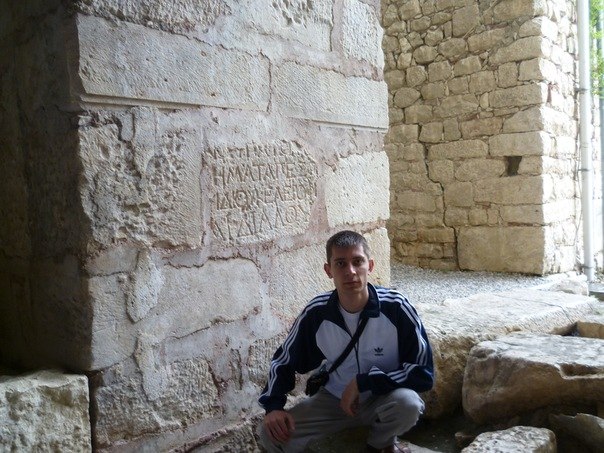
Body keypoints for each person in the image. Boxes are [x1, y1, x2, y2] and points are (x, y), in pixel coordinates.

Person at [258, 230, 434, 453]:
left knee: (409, 404)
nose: (350, 271)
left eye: (357, 262)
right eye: (340, 263)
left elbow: (423, 373)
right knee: (270, 435)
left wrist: (363, 383)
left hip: (384, 397)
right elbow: (284, 360)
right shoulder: (317, 312)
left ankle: (379, 445)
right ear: (328, 270)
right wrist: (273, 406)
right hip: (334, 400)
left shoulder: (396, 307)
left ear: (370, 266)